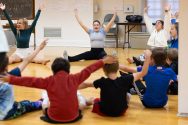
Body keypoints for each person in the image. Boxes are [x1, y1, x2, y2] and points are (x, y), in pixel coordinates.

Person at [0, 56, 117, 123]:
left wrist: (10, 79)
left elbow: (28, 81)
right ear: (68, 69)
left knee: (44, 103)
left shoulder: (48, 81)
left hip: (53, 117)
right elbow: (89, 69)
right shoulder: (74, 78)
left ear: (53, 70)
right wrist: (103, 61)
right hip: (74, 117)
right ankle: (86, 101)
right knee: (78, 98)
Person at [78, 50, 151, 116]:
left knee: (95, 100)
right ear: (117, 68)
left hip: (105, 111)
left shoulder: (102, 81)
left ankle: (89, 101)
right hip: (121, 111)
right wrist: (147, 58)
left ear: (104, 70)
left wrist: (73, 86)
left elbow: (86, 84)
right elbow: (143, 73)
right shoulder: (126, 79)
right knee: (126, 95)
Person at [0, 39, 48, 120]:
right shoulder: (9, 77)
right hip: (9, 113)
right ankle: (42, 102)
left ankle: (41, 100)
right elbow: (27, 60)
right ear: (5, 66)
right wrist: (39, 48)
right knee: (28, 104)